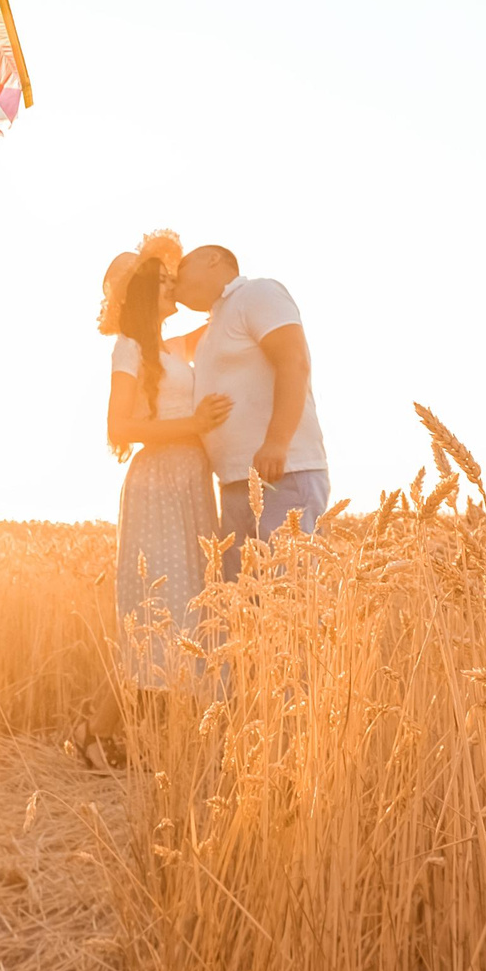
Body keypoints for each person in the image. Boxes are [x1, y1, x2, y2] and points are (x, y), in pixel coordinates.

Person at [99, 232, 230, 690]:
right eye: (161, 281)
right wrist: (193, 425)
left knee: (196, 604)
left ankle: (173, 731)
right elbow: (119, 428)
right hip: (157, 482)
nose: (171, 285)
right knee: (164, 608)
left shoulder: (172, 350)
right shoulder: (129, 350)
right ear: (139, 295)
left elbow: (224, 316)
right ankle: (100, 733)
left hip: (192, 481)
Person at [174, 245, 330, 575]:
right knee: (246, 611)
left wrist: (277, 442)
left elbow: (294, 361)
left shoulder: (257, 293)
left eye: (181, 269)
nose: (174, 280)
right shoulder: (215, 323)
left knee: (290, 601)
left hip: (282, 473)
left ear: (212, 259)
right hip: (233, 481)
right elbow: (150, 351)